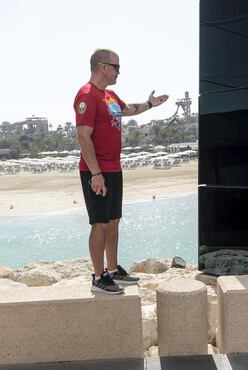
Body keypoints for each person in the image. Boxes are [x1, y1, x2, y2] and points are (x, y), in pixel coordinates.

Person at [74, 48, 169, 294]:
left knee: (114, 222)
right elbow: (83, 137)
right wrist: (95, 174)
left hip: (114, 168)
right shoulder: (86, 95)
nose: (119, 71)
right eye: (116, 67)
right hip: (96, 171)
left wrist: (150, 104)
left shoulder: (110, 95)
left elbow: (128, 110)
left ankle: (113, 269)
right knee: (100, 224)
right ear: (102, 67)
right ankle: (98, 277)